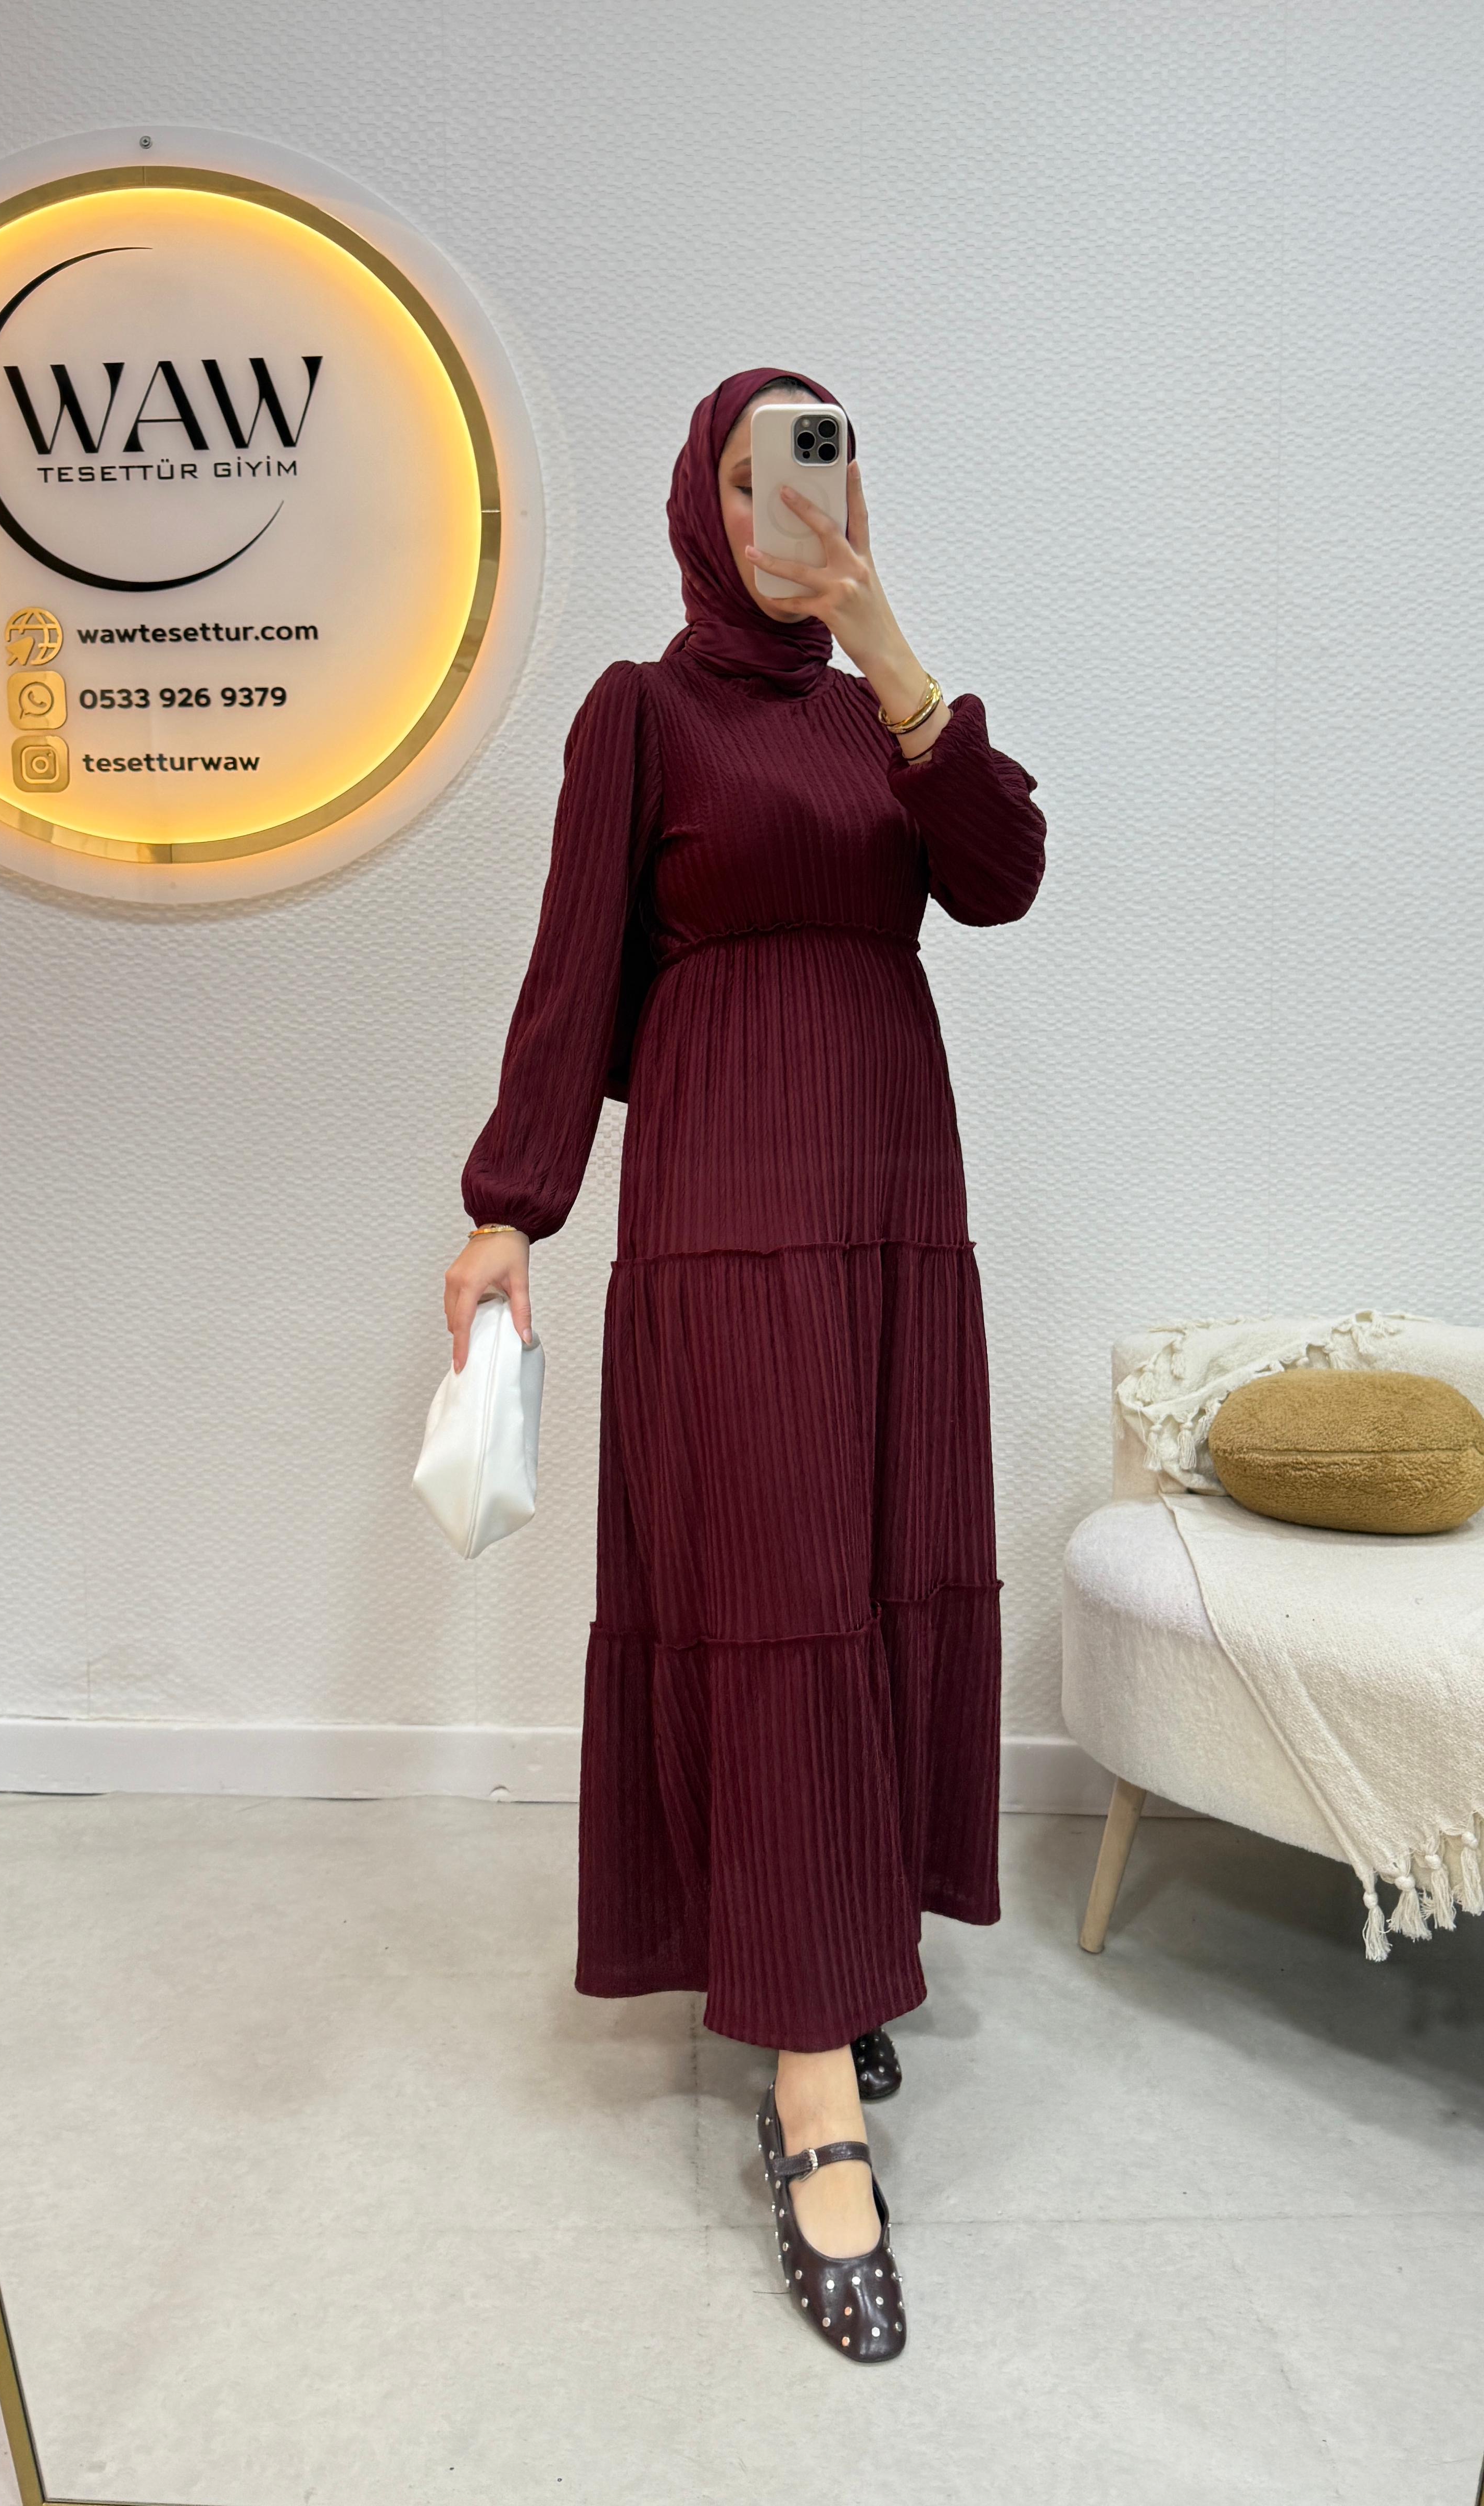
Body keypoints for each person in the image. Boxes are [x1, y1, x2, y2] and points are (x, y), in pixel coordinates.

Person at [447, 368, 1046, 2363]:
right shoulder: (643, 711)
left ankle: (833, 1954)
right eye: (749, 471)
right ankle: (809, 2096)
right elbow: (571, 975)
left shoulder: (886, 716)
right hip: (726, 1188)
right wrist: (512, 1208)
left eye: (821, 462)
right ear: (699, 509)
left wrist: (891, 647)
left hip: (892, 1186)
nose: (787, 500)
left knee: (871, 1578)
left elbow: (1001, 875)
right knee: (780, 1593)